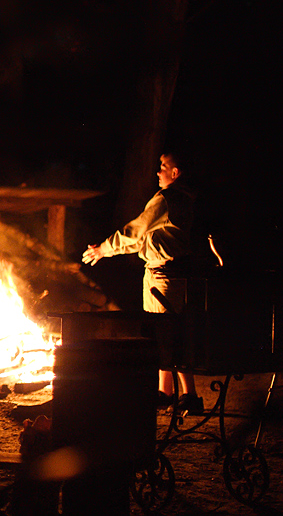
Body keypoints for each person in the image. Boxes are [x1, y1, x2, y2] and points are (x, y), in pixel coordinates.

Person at [82, 152, 201, 413]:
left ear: (175, 172)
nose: (158, 172)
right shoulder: (178, 198)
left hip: (166, 274)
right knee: (166, 334)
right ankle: (167, 392)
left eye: (163, 167)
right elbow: (140, 239)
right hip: (162, 272)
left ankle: (189, 396)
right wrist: (105, 249)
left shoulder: (168, 199)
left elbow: (136, 230)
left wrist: (104, 248)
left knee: (169, 333)